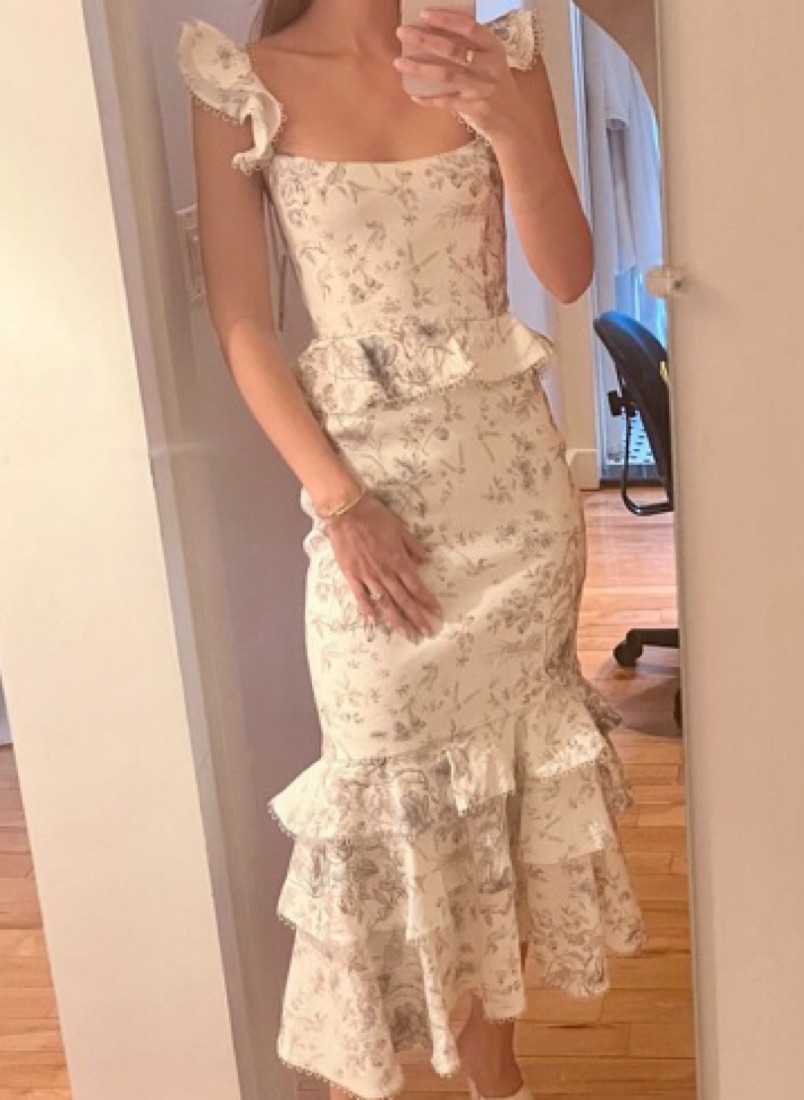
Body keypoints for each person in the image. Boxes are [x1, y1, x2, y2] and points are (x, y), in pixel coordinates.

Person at [177, 4, 648, 1100]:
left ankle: (499, 1081)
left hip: (515, 507)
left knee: (502, 803)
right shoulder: (240, 81)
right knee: (377, 801)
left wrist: (512, 125)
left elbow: (567, 273)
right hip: (365, 502)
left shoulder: (503, 56)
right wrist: (338, 500)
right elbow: (243, 323)